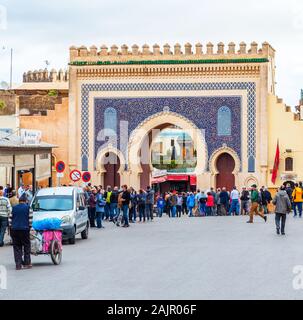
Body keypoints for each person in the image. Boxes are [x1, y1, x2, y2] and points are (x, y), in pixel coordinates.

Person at [8, 193, 32, 270]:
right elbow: (30, 220)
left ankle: (18, 265)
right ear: (25, 201)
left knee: (17, 247)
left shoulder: (13, 208)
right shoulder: (28, 208)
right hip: (24, 229)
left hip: (14, 229)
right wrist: (29, 228)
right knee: (26, 246)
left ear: (19, 201)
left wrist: (11, 228)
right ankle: (27, 263)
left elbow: (10, 220)